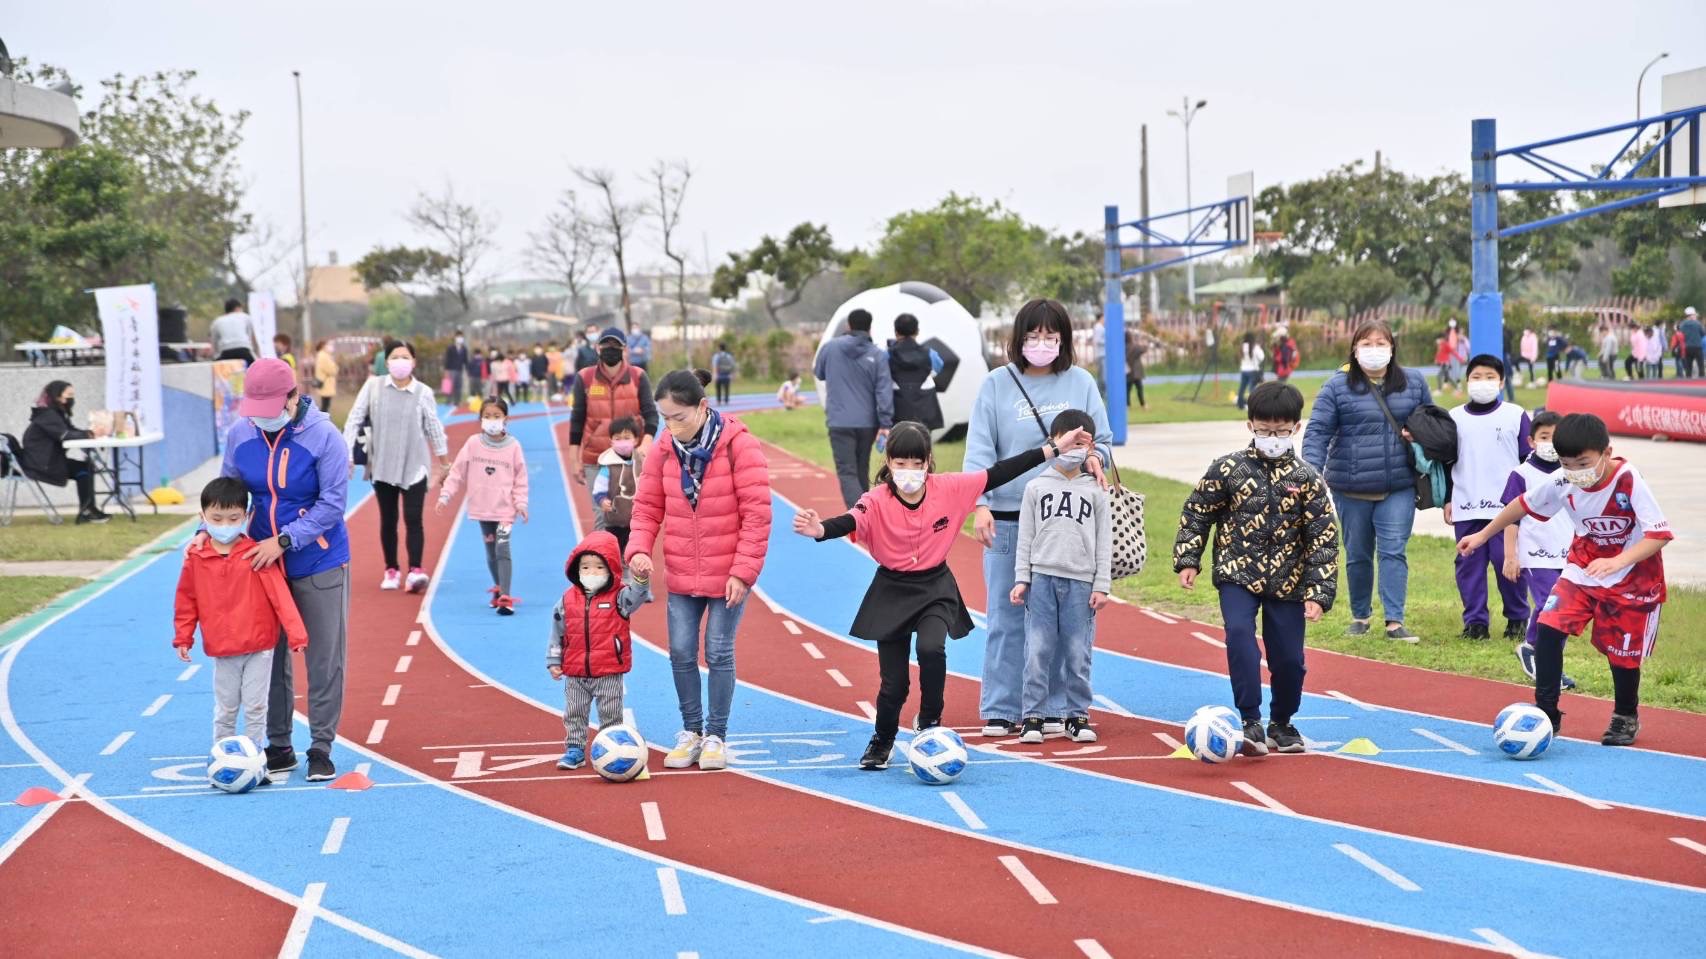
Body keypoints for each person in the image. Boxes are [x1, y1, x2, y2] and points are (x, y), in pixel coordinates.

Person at [792, 420, 1085, 768]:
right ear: (888, 462)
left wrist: (1054, 449)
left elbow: (999, 472)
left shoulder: (949, 488)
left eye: (917, 463)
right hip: (891, 590)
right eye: (901, 463)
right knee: (894, 685)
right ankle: (882, 739)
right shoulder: (876, 500)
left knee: (931, 648)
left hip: (934, 587)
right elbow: (851, 520)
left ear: (929, 461)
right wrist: (820, 529)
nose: (909, 471)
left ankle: (930, 719)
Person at [1458, 413, 1672, 746]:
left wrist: (1617, 561)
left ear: (1606, 453)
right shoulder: (1563, 480)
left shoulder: (1628, 480)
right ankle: (1546, 712)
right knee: (1549, 626)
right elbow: (1522, 504)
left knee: (1621, 653)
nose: (1575, 471)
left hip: (1633, 578)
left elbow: (1658, 535)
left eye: (1583, 463)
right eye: (1566, 463)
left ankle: (1625, 715)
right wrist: (1483, 535)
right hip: (1583, 569)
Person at [965, 298, 1114, 737]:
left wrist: (1095, 458)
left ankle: (1054, 707)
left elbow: (1104, 442)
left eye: (1051, 336)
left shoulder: (1081, 382)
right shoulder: (996, 384)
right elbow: (979, 449)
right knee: (1006, 617)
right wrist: (980, 504)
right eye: (1033, 336)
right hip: (1009, 518)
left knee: (1064, 621)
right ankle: (1002, 706)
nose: (1042, 343)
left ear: (1064, 340)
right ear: (1019, 339)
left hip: (1067, 522)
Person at [1175, 381, 1337, 755]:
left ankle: (1282, 722)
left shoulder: (1307, 479)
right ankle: (1250, 719)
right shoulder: (1227, 469)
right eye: (1264, 431)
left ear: (1296, 428)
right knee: (1239, 637)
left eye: (1281, 431)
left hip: (1289, 580)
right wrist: (1188, 559)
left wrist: (1319, 592)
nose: (1272, 438)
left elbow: (1323, 538)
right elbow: (1197, 512)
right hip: (1237, 572)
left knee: (1290, 659)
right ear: (1250, 426)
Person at [626, 370, 771, 772]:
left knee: (719, 651)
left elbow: (757, 515)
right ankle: (691, 731)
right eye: (664, 418)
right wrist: (638, 548)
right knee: (680, 652)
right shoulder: (663, 449)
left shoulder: (739, 446)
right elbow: (647, 507)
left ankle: (716, 736)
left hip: (728, 573)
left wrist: (742, 571)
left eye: (679, 417)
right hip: (682, 569)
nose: (672, 427)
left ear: (703, 407)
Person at [219, 357, 351, 782]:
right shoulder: (240, 433)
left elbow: (332, 504)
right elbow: (227, 492)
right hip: (263, 565)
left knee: (323, 656)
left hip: (318, 560)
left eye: (271, 408)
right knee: (268, 657)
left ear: (294, 397)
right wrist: (212, 532)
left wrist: (286, 539)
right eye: (256, 410)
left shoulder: (325, 437)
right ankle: (279, 745)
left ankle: (321, 746)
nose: (262, 418)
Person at [1301, 317, 1431, 643]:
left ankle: (1394, 621)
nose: (1374, 350)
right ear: (1355, 350)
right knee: (1358, 553)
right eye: (1367, 344)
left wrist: (1419, 435)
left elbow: (1433, 423)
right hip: (1350, 487)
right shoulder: (1336, 387)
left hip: (1398, 485)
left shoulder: (1414, 382)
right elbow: (1318, 432)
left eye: (1381, 343)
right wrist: (1311, 473)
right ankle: (1360, 616)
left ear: (1392, 348)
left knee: (1393, 551)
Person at [174, 477, 308, 764]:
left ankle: (255, 759)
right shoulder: (195, 557)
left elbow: (280, 597)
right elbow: (186, 600)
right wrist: (183, 637)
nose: (225, 525)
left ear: (246, 516)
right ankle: (221, 757)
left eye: (234, 518)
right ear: (202, 517)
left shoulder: (255, 554)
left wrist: (297, 635)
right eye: (217, 519)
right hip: (223, 648)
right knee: (226, 708)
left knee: (256, 706)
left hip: (259, 647)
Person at [1011, 410, 1110, 746]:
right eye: (1068, 441)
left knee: (1078, 653)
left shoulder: (1097, 490)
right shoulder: (1035, 487)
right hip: (1042, 580)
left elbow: (1104, 541)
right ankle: (1033, 716)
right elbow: (1025, 538)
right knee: (1037, 651)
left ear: (1091, 448)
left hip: (1081, 584)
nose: (1073, 449)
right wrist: (1022, 578)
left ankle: (1077, 715)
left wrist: (1102, 585)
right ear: (1052, 442)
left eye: (1081, 444)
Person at [344, 340, 451, 593]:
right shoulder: (373, 387)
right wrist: (346, 454)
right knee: (388, 519)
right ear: (387, 361)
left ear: (413, 362)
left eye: (405, 356)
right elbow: (354, 419)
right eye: (395, 356)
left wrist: (444, 463)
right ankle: (391, 569)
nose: (400, 361)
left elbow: (434, 427)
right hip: (382, 465)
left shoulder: (423, 392)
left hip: (415, 465)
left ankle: (415, 570)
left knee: (414, 518)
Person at [548, 531, 653, 769]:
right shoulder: (567, 600)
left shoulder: (619, 597)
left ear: (611, 569)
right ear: (576, 569)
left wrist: (640, 580)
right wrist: (554, 660)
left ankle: (613, 748)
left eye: (598, 567)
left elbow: (637, 597)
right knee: (574, 712)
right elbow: (557, 630)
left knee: (610, 713)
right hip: (576, 670)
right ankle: (574, 749)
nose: (591, 573)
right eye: (585, 568)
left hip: (608, 669)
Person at [1448, 355, 1531, 641]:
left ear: (1502, 382)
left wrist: (1527, 502)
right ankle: (1475, 624)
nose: (1483, 382)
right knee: (1468, 566)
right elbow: (1446, 463)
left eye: (1490, 377)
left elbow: (1528, 461)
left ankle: (1517, 619)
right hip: (1467, 504)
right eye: (1476, 377)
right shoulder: (1454, 417)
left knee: (1506, 560)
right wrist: (1447, 499)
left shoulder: (1515, 415)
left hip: (1507, 508)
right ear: (1466, 381)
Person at [1501, 411, 1577, 690]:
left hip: (1568, 554)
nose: (1551, 443)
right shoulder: (1521, 474)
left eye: (1556, 437)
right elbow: (1511, 519)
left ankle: (1550, 664)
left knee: (1564, 609)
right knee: (1549, 603)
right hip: (1535, 553)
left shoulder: (1572, 473)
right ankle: (1533, 649)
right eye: (1545, 437)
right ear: (1531, 441)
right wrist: (1510, 556)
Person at [437, 397, 529, 614]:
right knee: (491, 552)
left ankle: (505, 595)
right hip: (482, 508)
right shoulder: (472, 444)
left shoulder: (514, 446)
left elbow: (521, 478)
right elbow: (457, 472)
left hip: (505, 509)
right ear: (480, 419)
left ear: (506, 418)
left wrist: (521, 503)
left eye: (496, 416)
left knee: (502, 548)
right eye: (487, 416)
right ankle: (498, 586)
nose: (492, 420)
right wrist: (445, 496)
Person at [569, 327, 659, 534]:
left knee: (630, 516)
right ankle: (603, 556)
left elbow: (651, 415)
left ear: (624, 349)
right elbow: (577, 421)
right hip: (595, 458)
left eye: (615, 345)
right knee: (602, 517)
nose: (611, 349)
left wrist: (645, 444)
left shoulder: (638, 376)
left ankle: (628, 556)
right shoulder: (585, 378)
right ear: (597, 348)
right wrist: (574, 460)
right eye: (606, 345)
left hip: (630, 461)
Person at [814, 309, 895, 510]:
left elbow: (819, 373)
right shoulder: (877, 355)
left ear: (848, 326)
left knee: (847, 471)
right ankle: (865, 514)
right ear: (869, 328)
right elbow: (884, 390)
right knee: (861, 468)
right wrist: (885, 423)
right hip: (867, 422)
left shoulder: (830, 347)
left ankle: (859, 514)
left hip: (839, 421)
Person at [21, 380, 109, 524]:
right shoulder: (48, 415)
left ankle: (88, 509)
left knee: (85, 468)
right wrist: (90, 434)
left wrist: (91, 433)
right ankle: (88, 510)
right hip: (41, 464)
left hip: (46, 460)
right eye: (69, 395)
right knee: (84, 469)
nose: (71, 399)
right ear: (57, 396)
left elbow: (71, 430)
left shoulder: (55, 413)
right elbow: (65, 435)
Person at [591, 416, 645, 556]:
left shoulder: (641, 461)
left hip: (636, 520)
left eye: (627, 438)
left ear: (636, 440)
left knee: (633, 552)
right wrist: (602, 500)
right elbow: (599, 488)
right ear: (611, 441)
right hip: (614, 520)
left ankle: (630, 568)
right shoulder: (607, 465)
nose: (622, 442)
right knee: (614, 551)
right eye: (618, 438)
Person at [888, 313, 945, 430]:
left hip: (897, 413)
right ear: (917, 331)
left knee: (898, 441)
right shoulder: (930, 355)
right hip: (925, 412)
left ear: (896, 332)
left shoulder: (887, 355)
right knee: (923, 440)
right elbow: (938, 367)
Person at [210, 298, 260, 365]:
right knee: (254, 367)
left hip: (226, 352)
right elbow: (251, 339)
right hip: (243, 350)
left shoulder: (217, 321)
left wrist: (215, 357)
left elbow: (214, 343)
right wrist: (258, 354)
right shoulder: (245, 317)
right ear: (237, 308)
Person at [1126, 327, 1155, 410]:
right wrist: (1143, 341)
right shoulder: (1135, 347)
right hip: (1136, 372)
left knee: (1127, 389)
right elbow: (1144, 349)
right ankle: (1143, 404)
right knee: (1139, 388)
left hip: (1128, 371)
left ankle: (1127, 405)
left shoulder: (1123, 348)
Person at [1235, 331, 1265, 409]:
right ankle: (1252, 404)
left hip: (1244, 370)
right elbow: (1262, 357)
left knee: (1242, 388)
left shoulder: (1242, 346)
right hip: (1253, 370)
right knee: (1252, 389)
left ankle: (1240, 404)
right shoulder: (1255, 347)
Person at [311, 340, 338, 413]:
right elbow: (331, 370)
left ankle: (324, 418)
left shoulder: (322, 355)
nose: (329, 347)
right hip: (326, 383)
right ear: (323, 346)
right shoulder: (323, 356)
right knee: (325, 405)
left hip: (325, 383)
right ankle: (323, 418)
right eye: (327, 345)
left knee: (325, 404)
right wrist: (335, 368)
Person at [444, 331, 470, 402]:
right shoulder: (450, 348)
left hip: (460, 370)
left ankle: (457, 402)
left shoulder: (464, 349)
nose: (460, 338)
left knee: (458, 387)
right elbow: (447, 359)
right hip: (451, 370)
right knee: (450, 386)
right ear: (455, 338)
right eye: (458, 337)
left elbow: (465, 360)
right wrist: (446, 371)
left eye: (461, 337)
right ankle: (448, 401)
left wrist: (467, 370)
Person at [1682, 306, 1705, 378]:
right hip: (1697, 347)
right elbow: (1703, 333)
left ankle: (1688, 380)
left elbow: (1681, 334)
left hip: (1687, 347)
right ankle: (1701, 380)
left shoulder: (1683, 324)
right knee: (1701, 365)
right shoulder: (1698, 324)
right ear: (1692, 315)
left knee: (1688, 366)